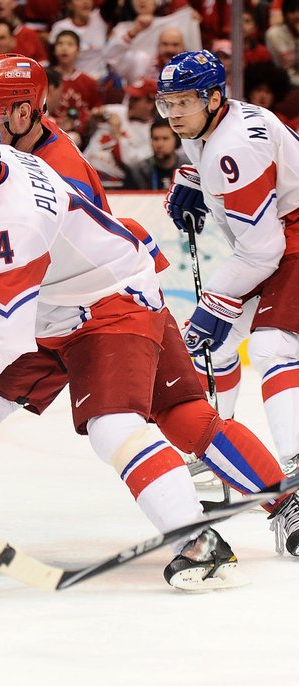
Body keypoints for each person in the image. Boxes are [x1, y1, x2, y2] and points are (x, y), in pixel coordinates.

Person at [0, 56, 298, 582]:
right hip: (55, 302)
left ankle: (205, 534)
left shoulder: (19, 205)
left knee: (122, 423)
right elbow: (5, 256)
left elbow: (8, 313)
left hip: (106, 307)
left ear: (18, 119)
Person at [158, 51, 299, 556]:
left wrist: (216, 302)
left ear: (213, 98)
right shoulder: (220, 124)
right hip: (281, 237)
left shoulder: (230, 145)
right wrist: (196, 181)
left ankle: (296, 477)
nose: (173, 114)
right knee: (216, 352)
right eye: (165, 103)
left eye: (183, 102)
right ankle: (220, 448)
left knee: (271, 345)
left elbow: (263, 249)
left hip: (290, 240)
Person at [123, 117, 187, 190]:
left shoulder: (188, 168)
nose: (160, 144)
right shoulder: (137, 171)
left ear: (176, 141)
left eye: (165, 138)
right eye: (155, 139)